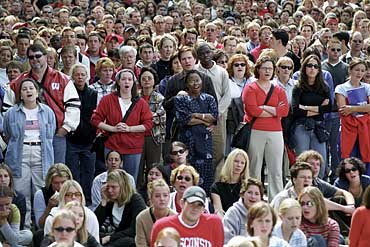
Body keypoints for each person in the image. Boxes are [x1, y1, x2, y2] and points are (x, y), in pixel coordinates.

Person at [5, 43, 81, 164]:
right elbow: (7, 109)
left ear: (45, 57)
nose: (35, 59)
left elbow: (74, 106)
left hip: (56, 135)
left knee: (56, 172)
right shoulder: (18, 82)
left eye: (38, 56)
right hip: (26, 137)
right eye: (31, 57)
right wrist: (13, 131)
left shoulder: (62, 79)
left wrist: (65, 128)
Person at [3, 78, 56, 229]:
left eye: (31, 88)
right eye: (24, 89)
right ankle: (24, 227)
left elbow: (50, 134)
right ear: (20, 94)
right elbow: (7, 134)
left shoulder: (47, 112)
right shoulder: (12, 113)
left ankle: (43, 226)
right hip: (20, 155)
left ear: (37, 91)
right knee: (21, 191)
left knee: (41, 191)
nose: (28, 91)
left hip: (42, 153)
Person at [91, 69, 153, 181]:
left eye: (129, 79)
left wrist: (129, 129)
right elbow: (95, 119)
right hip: (112, 145)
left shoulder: (141, 103)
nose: (126, 82)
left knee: (129, 180)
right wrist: (113, 129)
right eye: (123, 79)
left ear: (133, 83)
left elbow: (148, 124)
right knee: (112, 178)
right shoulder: (108, 100)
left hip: (133, 147)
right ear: (118, 82)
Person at [243, 55, 289, 200]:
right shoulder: (250, 88)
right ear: (258, 70)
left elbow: (284, 111)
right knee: (254, 167)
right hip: (256, 130)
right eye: (264, 68)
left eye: (270, 68)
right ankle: (253, 198)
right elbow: (253, 111)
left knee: (276, 169)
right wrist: (274, 110)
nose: (267, 71)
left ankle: (277, 200)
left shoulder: (278, 90)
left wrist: (264, 107)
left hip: (275, 132)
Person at [174, 70, 218, 194]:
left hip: (205, 143)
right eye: (192, 80)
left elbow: (214, 117)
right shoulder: (181, 99)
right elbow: (184, 120)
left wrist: (197, 115)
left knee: (206, 178)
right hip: (187, 142)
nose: (195, 83)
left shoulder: (209, 99)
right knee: (187, 173)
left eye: (197, 80)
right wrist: (205, 120)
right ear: (187, 83)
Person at [291, 54, 332, 178]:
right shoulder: (298, 87)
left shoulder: (324, 87)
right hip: (301, 127)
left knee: (320, 163)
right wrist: (319, 108)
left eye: (315, 66)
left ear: (319, 69)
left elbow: (328, 108)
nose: (312, 68)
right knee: (302, 162)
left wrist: (306, 107)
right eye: (309, 65)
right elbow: (296, 110)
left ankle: (318, 192)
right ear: (304, 68)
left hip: (319, 127)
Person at [150, 186, 224, 247]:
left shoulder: (214, 223)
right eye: (191, 203)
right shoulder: (162, 226)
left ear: (203, 208)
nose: (195, 208)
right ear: (182, 203)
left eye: (199, 205)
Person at [66, 64, 97, 205]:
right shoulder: (68, 92)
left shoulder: (93, 93)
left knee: (88, 172)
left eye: (82, 74)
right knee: (73, 173)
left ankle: (88, 200)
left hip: (89, 140)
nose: (80, 77)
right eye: (77, 74)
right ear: (72, 76)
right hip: (72, 139)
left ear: (87, 76)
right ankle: (74, 199)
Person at [94, 169, 147, 246]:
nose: (110, 190)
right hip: (117, 237)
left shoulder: (136, 200)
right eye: (108, 187)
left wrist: (110, 238)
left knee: (128, 241)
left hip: (131, 239)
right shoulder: (111, 200)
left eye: (113, 187)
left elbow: (134, 230)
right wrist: (104, 201)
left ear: (123, 187)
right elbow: (95, 223)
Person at [335, 59, 370, 168]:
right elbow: (343, 110)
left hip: (366, 129)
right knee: (349, 161)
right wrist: (363, 109)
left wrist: (352, 108)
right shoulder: (341, 88)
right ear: (350, 70)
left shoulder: (367, 87)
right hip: (348, 129)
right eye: (357, 70)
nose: (359, 73)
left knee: (365, 162)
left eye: (362, 70)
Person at [138, 67, 166, 187]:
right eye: (143, 78)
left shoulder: (159, 98)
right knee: (138, 168)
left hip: (154, 137)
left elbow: (160, 117)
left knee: (153, 167)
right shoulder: (135, 97)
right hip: (137, 137)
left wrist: (143, 117)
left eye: (149, 78)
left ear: (154, 81)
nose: (146, 81)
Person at [226, 54, 255, 154]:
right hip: (232, 123)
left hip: (250, 123)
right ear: (231, 67)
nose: (240, 67)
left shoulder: (253, 82)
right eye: (236, 65)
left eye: (242, 64)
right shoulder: (227, 82)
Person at [223, 178, 264, 244]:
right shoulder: (233, 213)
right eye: (249, 192)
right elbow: (227, 240)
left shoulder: (264, 215)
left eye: (256, 194)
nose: (253, 197)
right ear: (242, 194)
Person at [136, 179, 176, 246]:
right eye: (157, 196)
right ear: (150, 198)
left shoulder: (175, 217)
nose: (162, 199)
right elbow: (141, 244)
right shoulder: (141, 218)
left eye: (165, 195)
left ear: (169, 197)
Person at [211, 148, 250, 217]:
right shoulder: (217, 187)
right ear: (229, 162)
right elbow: (218, 210)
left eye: (242, 163)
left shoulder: (248, 186)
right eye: (236, 161)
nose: (239, 165)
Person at [34, 163, 73, 229]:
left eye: (63, 182)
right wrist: (49, 207)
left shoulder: (74, 192)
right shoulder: (41, 194)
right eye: (56, 183)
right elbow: (40, 226)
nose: (60, 186)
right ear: (50, 182)